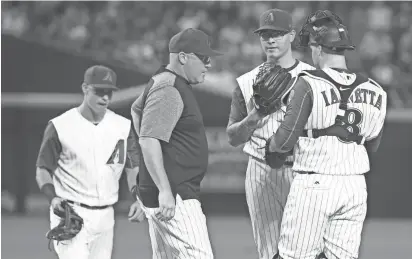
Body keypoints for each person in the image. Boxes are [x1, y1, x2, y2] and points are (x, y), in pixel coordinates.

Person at [266, 11, 387, 259]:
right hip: (354, 186)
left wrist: (271, 146)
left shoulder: (307, 83)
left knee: (292, 256)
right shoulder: (376, 90)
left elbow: (285, 141)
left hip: (315, 184)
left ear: (318, 48)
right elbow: (372, 146)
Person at [226, 9, 314, 259]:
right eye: (265, 34)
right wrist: (255, 116)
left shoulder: (313, 78)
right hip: (260, 169)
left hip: (302, 169)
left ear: (291, 35)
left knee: (307, 248)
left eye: (277, 34)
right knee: (269, 252)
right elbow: (233, 138)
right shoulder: (245, 82)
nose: (271, 40)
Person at [130, 28, 222, 259]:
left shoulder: (166, 82)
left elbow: (136, 109)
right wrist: (164, 190)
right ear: (183, 57)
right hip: (175, 195)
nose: (208, 64)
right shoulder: (169, 88)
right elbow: (149, 140)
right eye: (203, 58)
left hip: (170, 192)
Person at [36, 65, 144, 259]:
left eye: (109, 92)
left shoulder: (122, 127)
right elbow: (42, 169)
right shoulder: (60, 125)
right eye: (99, 91)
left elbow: (131, 167)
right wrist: (52, 197)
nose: (105, 98)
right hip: (72, 212)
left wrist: (138, 197)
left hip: (106, 218)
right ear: (85, 88)